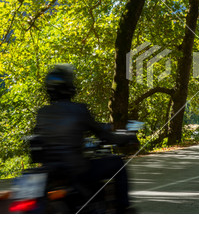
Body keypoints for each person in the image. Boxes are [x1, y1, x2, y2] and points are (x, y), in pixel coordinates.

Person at [33, 64, 135, 213]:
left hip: (51, 173)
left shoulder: (42, 113)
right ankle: (123, 210)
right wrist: (126, 137)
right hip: (76, 170)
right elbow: (104, 135)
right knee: (118, 163)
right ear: (69, 86)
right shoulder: (78, 109)